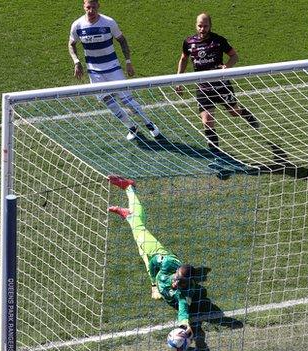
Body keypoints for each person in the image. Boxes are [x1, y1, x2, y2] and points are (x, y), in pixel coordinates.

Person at [107, 174, 241, 350]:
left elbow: (183, 310)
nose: (176, 282)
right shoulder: (168, 264)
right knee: (138, 225)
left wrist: (185, 327)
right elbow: (154, 262)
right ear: (176, 272)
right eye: (178, 278)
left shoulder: (182, 294)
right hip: (155, 251)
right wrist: (153, 283)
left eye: (181, 282)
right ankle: (129, 188)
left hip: (158, 264)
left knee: (137, 229)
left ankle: (129, 214)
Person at [68, 0, 160, 141]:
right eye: (88, 7)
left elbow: (122, 41)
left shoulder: (109, 22)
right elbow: (71, 44)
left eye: (93, 7)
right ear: (83, 6)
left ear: (98, 6)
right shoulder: (77, 25)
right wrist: (76, 61)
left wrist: (128, 62)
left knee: (126, 100)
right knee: (108, 101)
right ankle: (131, 126)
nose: (91, 10)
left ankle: (149, 123)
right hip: (94, 71)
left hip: (113, 68)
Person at [175, 13, 259, 153]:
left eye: (205, 26)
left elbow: (234, 56)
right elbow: (183, 59)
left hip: (221, 86)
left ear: (210, 26)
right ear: (196, 25)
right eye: (200, 26)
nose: (202, 29)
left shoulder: (218, 41)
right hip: (203, 88)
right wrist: (179, 79)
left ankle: (245, 113)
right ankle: (216, 154)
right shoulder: (189, 42)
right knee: (207, 120)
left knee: (234, 112)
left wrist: (227, 66)